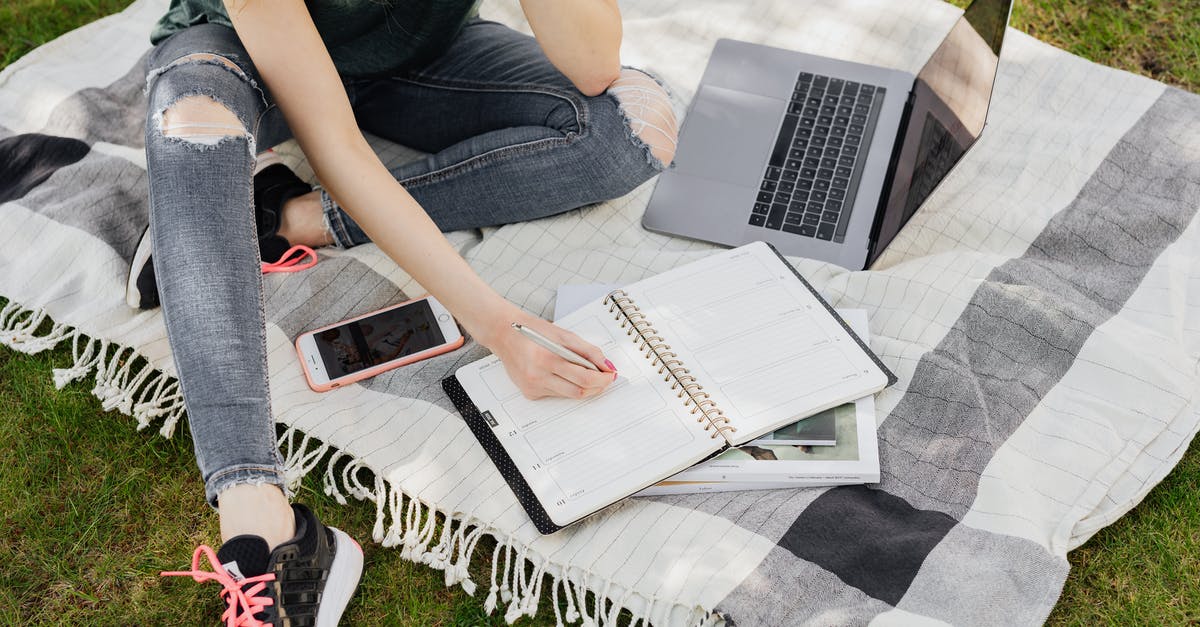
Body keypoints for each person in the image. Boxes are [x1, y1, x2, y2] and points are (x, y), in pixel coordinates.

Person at [138, 0, 678, 623]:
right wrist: (496, 323)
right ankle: (261, 521)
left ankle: (271, 216)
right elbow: (337, 145)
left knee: (633, 127)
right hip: (246, 56)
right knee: (193, 119)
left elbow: (593, 65)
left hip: (418, 55)